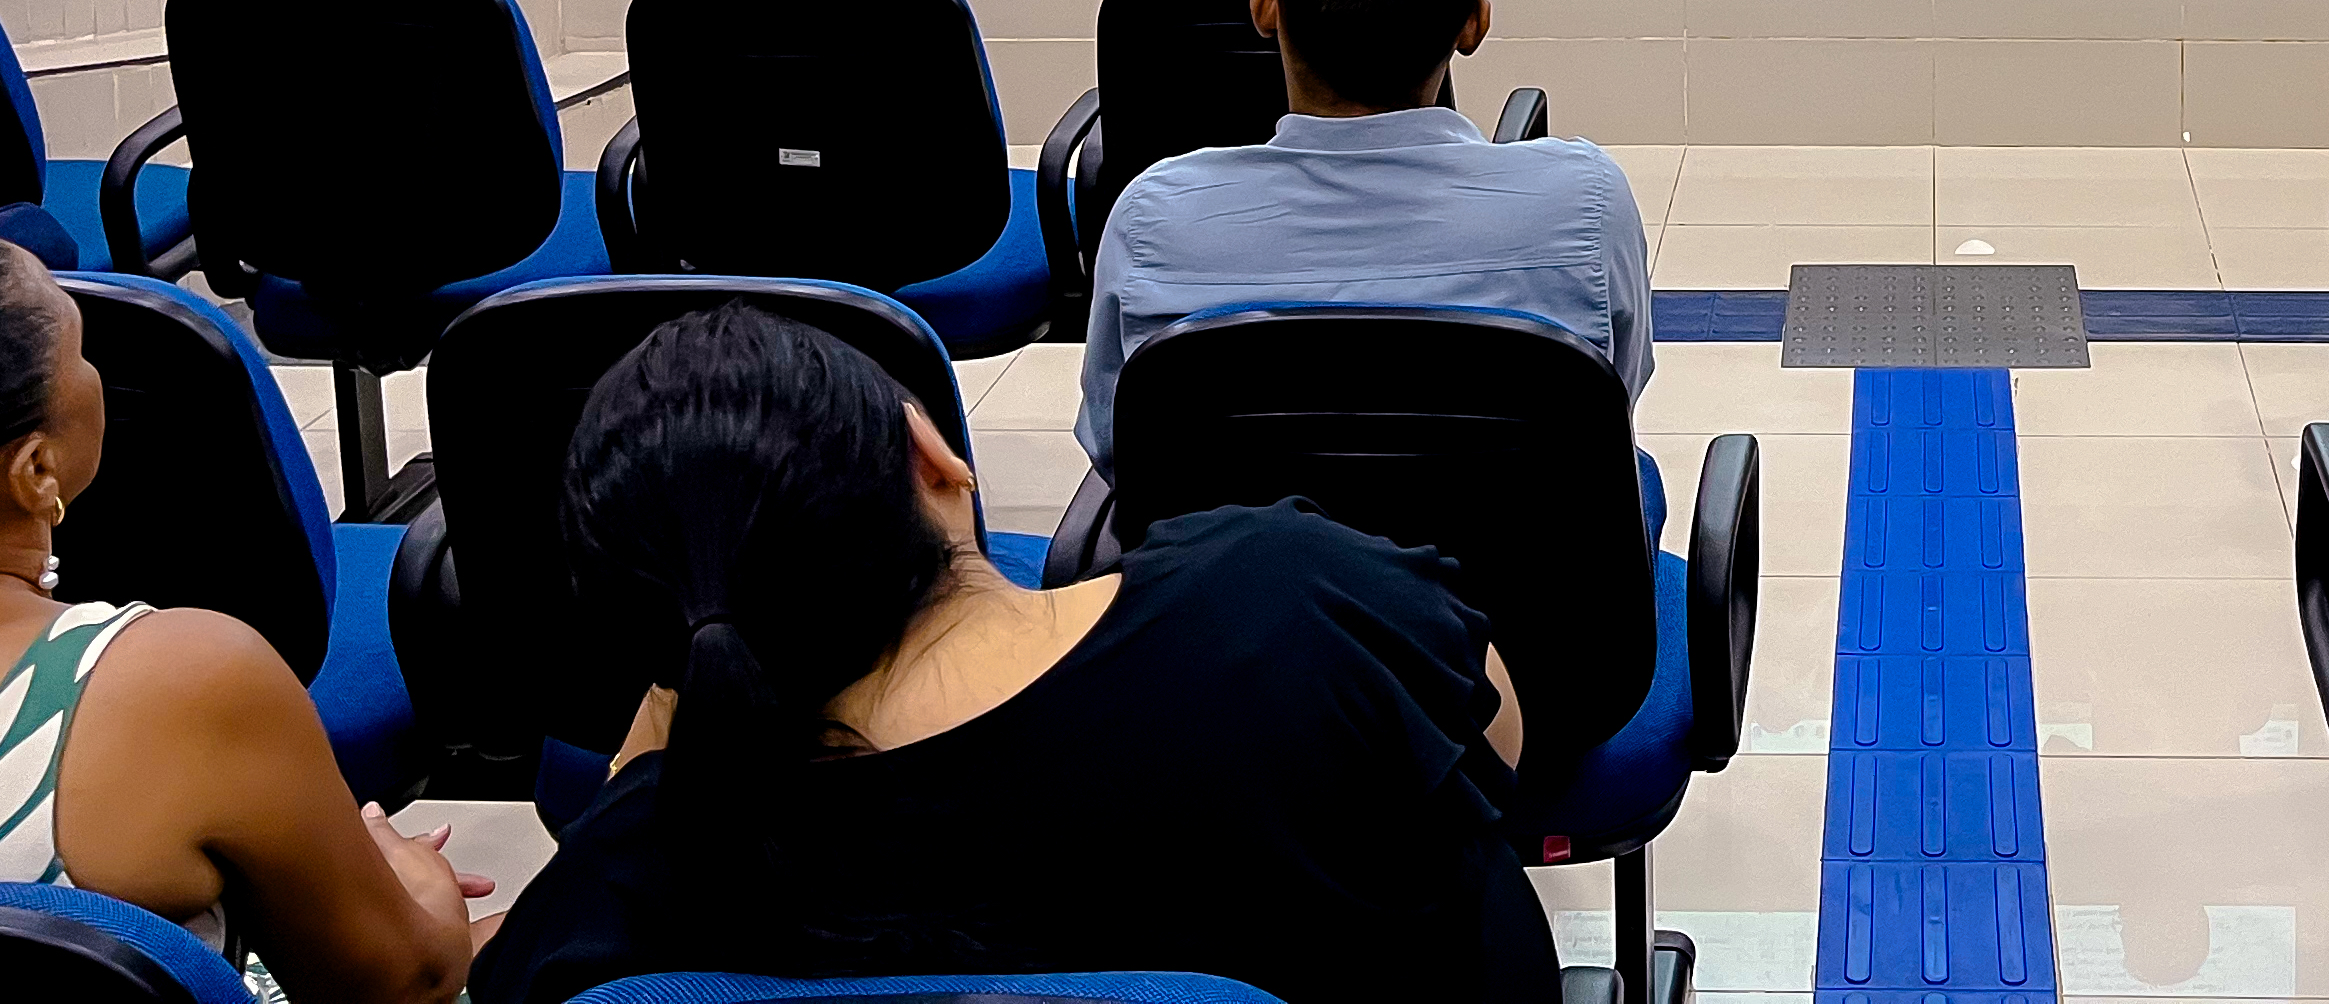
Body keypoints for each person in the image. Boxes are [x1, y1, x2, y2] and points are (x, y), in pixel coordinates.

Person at [467, 303, 1555, 1004]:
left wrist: (648, 768)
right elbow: (1499, 744)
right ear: (932, 455)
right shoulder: (1289, 605)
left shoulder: (630, 880)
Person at [0, 226, 481, 1001]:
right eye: (81, 354)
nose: (98, 374)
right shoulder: (175, 682)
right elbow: (404, 982)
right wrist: (423, 886)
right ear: (37, 469)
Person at [1080, 0, 1653, 466]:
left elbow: (1120, 454)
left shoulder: (1153, 219)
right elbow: (1603, 422)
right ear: (1472, 26)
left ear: (1265, 5)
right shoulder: (1585, 206)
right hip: (1512, 562)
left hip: (1244, 564)